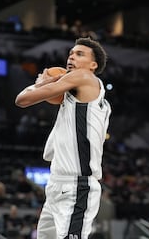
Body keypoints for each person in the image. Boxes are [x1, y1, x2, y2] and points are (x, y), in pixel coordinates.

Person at [15, 37, 111, 239]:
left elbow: (22, 100)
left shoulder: (84, 77)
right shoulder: (88, 100)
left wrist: (45, 82)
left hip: (77, 185)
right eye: (70, 53)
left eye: (79, 54)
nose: (71, 57)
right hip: (57, 184)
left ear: (93, 65)